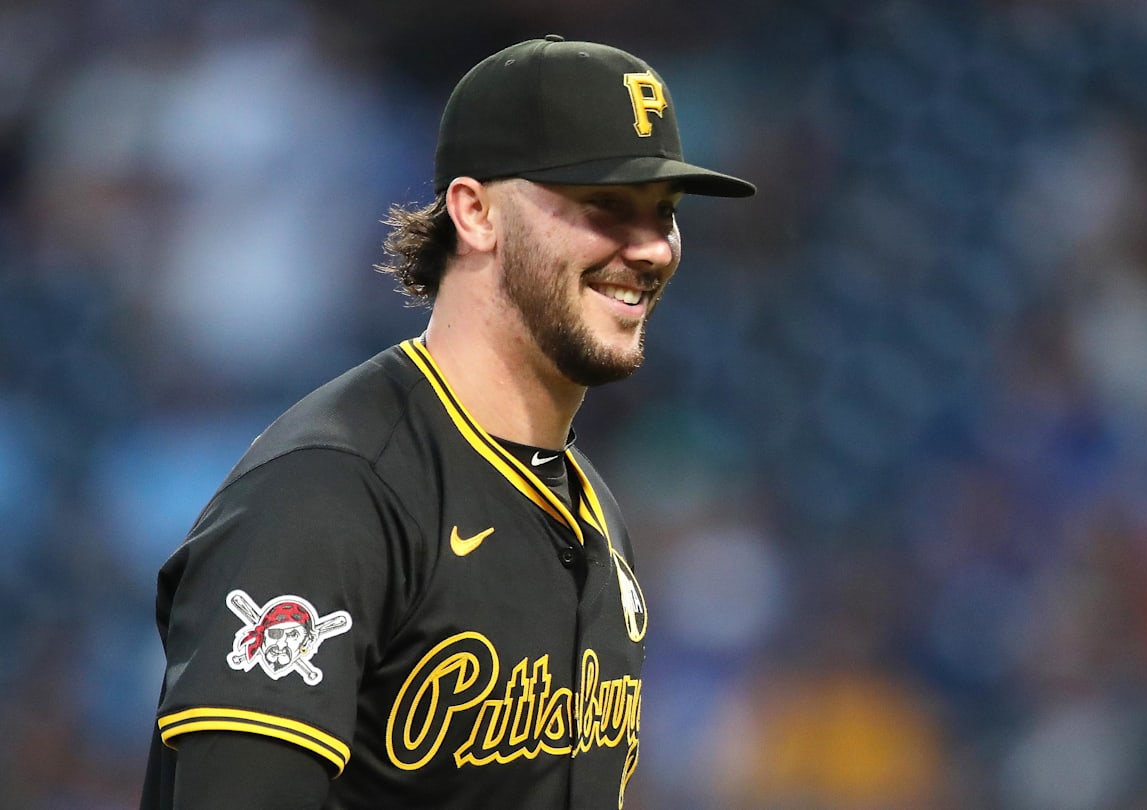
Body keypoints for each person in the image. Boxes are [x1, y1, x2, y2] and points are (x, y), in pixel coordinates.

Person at [139, 34, 754, 810]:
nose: (651, 248)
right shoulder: (333, 493)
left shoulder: (594, 509)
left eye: (663, 213)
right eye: (605, 206)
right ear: (475, 212)